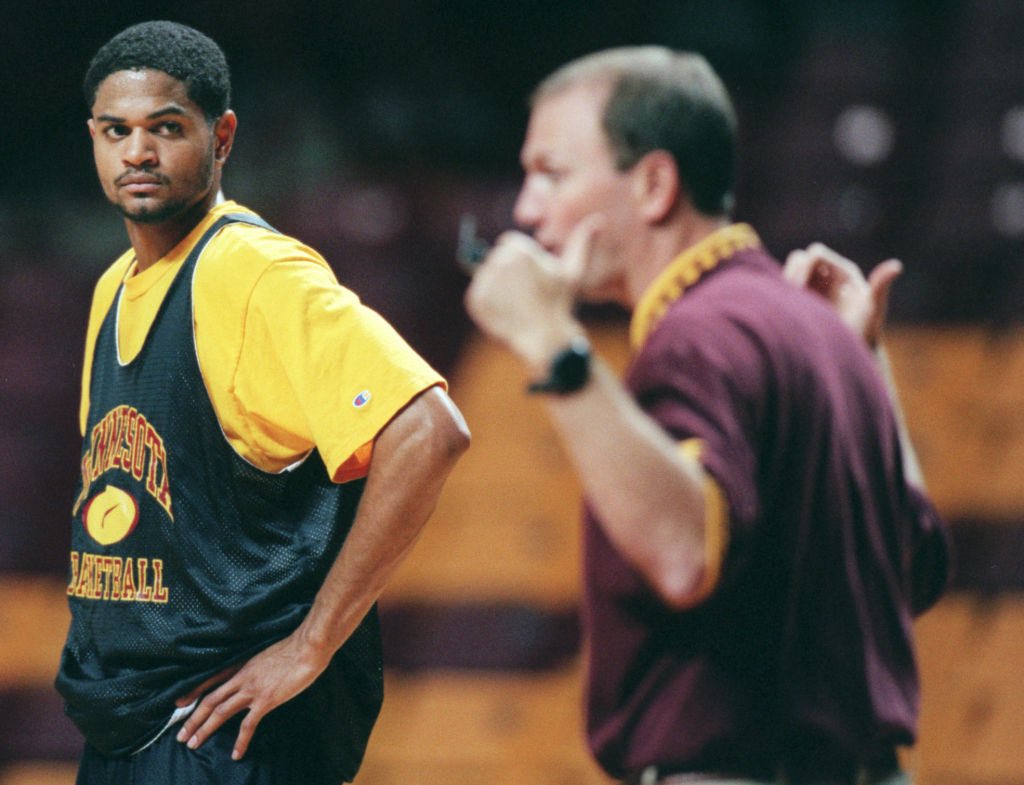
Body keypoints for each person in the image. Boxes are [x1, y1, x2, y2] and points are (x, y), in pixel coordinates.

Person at [464, 46, 950, 785]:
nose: (526, 209)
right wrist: (864, 364)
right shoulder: (822, 330)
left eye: (551, 174)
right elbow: (912, 564)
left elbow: (683, 553)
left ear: (655, 183)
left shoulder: (699, 336)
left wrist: (553, 345)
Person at [55, 20, 470, 785]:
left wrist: (312, 643)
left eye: (166, 129)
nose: (137, 152)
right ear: (92, 138)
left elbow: (430, 429)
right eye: (116, 131)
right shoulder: (113, 285)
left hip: (223, 733)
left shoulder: (253, 271)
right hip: (126, 724)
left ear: (223, 138)